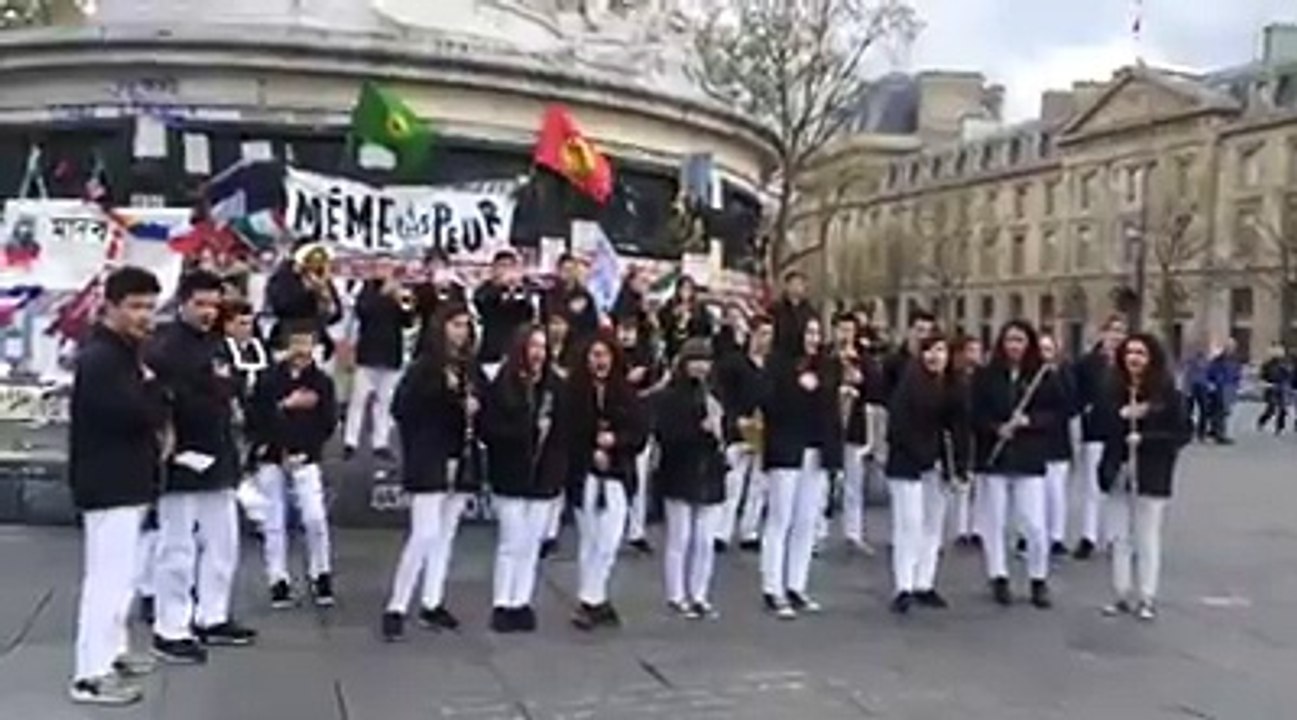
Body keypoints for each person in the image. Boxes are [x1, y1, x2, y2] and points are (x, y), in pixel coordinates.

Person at [68, 266, 167, 706]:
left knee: (123, 576)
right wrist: (155, 393)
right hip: (108, 480)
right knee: (106, 580)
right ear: (110, 307)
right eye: (135, 306)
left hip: (127, 476)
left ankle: (112, 652)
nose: (144, 315)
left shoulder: (126, 353)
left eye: (150, 306)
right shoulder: (102, 359)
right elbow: (133, 414)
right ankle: (90, 674)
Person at [146, 270, 256, 663]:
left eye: (213, 304)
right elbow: (159, 399)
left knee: (223, 542)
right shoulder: (163, 348)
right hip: (181, 457)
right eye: (200, 304)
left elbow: (230, 387)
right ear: (183, 303)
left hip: (218, 452)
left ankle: (213, 614)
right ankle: (171, 626)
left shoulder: (218, 344)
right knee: (177, 548)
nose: (208, 312)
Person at [381, 304, 487, 642]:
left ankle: (432, 600)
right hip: (430, 457)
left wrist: (476, 407)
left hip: (461, 456)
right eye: (455, 325)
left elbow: (486, 403)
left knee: (445, 535)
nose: (461, 332)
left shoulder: (471, 368)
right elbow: (401, 408)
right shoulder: (424, 367)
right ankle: (397, 605)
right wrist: (443, 393)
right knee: (424, 533)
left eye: (465, 326)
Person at [971, 320, 1067, 609]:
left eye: (1020, 340)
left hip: (1029, 457)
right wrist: (994, 428)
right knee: (994, 521)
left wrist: (1030, 421)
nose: (1014, 346)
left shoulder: (1042, 376)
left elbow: (1057, 413)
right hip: (995, 458)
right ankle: (998, 576)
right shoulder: (985, 376)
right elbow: (973, 413)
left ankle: (1038, 578)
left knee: (1034, 524)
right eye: (1010, 340)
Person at [1097, 333, 1191, 621]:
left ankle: (1147, 596)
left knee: (1146, 537)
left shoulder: (1167, 395)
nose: (1134, 358)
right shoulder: (1112, 390)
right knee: (1119, 537)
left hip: (1151, 472)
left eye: (1140, 353)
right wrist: (1120, 417)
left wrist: (1146, 437)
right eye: (1129, 353)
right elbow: (1097, 426)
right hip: (1118, 470)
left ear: (1152, 359)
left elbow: (1181, 433)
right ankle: (1121, 593)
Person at [482, 325, 570, 633]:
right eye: (533, 346)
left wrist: (557, 466)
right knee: (511, 541)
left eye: (543, 347)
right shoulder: (503, 384)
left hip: (544, 476)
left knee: (531, 543)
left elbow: (565, 431)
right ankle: (502, 602)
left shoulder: (556, 386)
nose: (538, 353)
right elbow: (489, 428)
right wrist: (527, 429)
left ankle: (522, 601)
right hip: (510, 474)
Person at [247, 320, 339, 609]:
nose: (301, 350)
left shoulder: (322, 382)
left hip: (305, 458)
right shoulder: (268, 380)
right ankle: (278, 580)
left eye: (306, 343)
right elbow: (255, 417)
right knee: (274, 521)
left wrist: (304, 450)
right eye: (296, 343)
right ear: (287, 346)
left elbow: (328, 422)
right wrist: (284, 408)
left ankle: (320, 573)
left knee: (315, 517)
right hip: (272, 457)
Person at [760, 318, 842, 619]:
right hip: (786, 448)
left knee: (806, 519)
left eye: (817, 333)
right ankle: (773, 587)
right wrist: (797, 387)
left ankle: (796, 584)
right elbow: (769, 404)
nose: (813, 338)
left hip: (815, 448)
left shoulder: (826, 367)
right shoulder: (779, 365)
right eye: (808, 332)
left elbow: (831, 410)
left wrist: (833, 455)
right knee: (780, 518)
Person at [566, 332, 649, 631]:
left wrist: (616, 442)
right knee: (590, 539)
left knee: (609, 539)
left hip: (616, 475)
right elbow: (567, 434)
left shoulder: (625, 393)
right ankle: (591, 598)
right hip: (585, 475)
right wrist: (590, 451)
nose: (599, 361)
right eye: (594, 355)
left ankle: (593, 596)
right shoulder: (574, 394)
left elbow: (639, 434)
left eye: (604, 355)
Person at [884, 334, 968, 614]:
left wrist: (960, 465)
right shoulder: (910, 385)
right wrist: (923, 454)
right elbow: (898, 427)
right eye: (930, 351)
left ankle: (924, 582)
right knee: (909, 524)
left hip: (938, 465)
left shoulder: (954, 387)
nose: (935, 356)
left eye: (941, 350)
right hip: (908, 463)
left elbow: (960, 428)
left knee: (933, 524)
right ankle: (903, 585)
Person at [654, 338, 727, 619]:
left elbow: (725, 429)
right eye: (695, 361)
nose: (701, 367)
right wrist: (699, 428)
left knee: (705, 539)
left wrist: (720, 429)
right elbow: (666, 434)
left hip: (709, 470)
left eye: (705, 361)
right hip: (680, 469)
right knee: (680, 536)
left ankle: (699, 593)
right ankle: (676, 594)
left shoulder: (714, 394)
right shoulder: (671, 395)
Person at [344, 253, 413, 461]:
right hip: (368, 353)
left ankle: (380, 442)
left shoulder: (400, 290)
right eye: (380, 266)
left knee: (385, 401)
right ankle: (350, 441)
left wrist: (401, 301)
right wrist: (383, 294)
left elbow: (408, 321)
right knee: (358, 399)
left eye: (388, 266)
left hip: (391, 352)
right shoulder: (366, 289)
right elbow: (363, 311)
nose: (383, 270)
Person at [714, 315, 773, 553]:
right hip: (738, 428)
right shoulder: (734, 363)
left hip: (765, 428)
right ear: (752, 334)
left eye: (769, 335)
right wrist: (735, 418)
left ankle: (750, 530)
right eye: (762, 334)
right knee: (733, 481)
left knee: (759, 483)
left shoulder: (773, 366)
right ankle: (722, 531)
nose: (766, 340)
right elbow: (724, 394)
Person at [1072, 315, 1126, 560]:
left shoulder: (1128, 362)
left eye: (1121, 331)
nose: (1116, 336)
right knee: (1092, 486)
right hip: (1094, 429)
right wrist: (1084, 408)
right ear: (1103, 333)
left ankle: (1115, 537)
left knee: (1116, 487)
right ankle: (1089, 535)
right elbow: (1075, 391)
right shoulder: (1087, 363)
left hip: (1121, 431)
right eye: (1112, 331)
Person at [618, 315, 668, 555]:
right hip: (616, 425)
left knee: (639, 478)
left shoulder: (648, 360)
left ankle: (636, 531)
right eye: (623, 330)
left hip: (641, 425)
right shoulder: (610, 358)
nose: (626, 335)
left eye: (631, 330)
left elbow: (658, 388)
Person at [834, 312, 880, 554]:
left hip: (854, 424)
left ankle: (853, 532)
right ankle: (817, 531)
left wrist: (862, 377)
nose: (845, 335)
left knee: (854, 481)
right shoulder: (826, 355)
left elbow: (876, 388)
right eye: (841, 329)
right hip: (829, 423)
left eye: (850, 330)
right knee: (823, 481)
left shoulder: (864, 358)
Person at [265, 241, 341, 357]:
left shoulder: (321, 277)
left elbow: (336, 313)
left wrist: (324, 295)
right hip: (287, 338)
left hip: (316, 339)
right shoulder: (280, 278)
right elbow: (280, 307)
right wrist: (306, 289)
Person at [1039, 334, 1076, 557]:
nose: (1044, 354)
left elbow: (1070, 405)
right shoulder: (1027, 375)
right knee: (1035, 493)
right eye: (1041, 349)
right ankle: (1029, 535)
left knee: (1056, 492)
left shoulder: (1063, 374)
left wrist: (1055, 378)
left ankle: (1056, 536)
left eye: (1048, 349)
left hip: (1057, 441)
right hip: (1033, 441)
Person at [474, 249, 536, 378]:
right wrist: (499, 288)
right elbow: (482, 304)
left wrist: (516, 290)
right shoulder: (484, 290)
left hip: (516, 352)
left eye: (510, 266)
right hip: (491, 353)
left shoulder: (524, 289)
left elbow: (529, 312)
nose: (506, 271)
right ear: (493, 269)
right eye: (502, 266)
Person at [950, 335, 984, 548]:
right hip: (960, 431)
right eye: (971, 350)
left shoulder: (984, 377)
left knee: (979, 483)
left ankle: (978, 528)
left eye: (977, 350)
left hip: (980, 432)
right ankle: (961, 528)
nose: (975, 355)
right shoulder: (954, 377)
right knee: (963, 482)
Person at [412, 248, 468, 359]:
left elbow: (461, 310)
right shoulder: (421, 288)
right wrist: (434, 288)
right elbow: (418, 311)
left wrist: (449, 287)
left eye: (440, 264)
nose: (436, 268)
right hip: (427, 340)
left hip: (450, 340)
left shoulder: (457, 288)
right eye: (432, 264)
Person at [543, 253, 599, 344]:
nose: (567, 273)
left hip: (577, 342)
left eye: (570, 270)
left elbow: (592, 325)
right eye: (564, 269)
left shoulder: (585, 296)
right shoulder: (549, 295)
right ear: (558, 270)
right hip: (553, 341)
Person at [883, 310, 937, 402]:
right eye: (920, 330)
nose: (924, 336)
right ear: (909, 331)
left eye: (929, 332)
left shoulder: (933, 363)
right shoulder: (893, 363)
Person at [657, 274, 714, 361]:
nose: (686, 292)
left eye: (689, 289)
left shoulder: (700, 308)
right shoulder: (670, 305)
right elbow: (663, 325)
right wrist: (674, 315)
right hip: (673, 346)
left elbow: (706, 328)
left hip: (693, 347)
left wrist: (691, 319)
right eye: (683, 288)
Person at [770, 270, 817, 359]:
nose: (797, 287)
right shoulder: (776, 310)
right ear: (787, 286)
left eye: (800, 284)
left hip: (803, 356)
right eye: (794, 284)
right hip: (781, 355)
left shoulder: (810, 312)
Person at [1205, 338, 1241, 444]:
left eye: (1232, 347)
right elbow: (1210, 372)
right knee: (1219, 411)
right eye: (1228, 347)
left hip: (1230, 388)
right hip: (1219, 388)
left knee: (1224, 412)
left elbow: (1236, 373)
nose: (1230, 349)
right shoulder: (1218, 360)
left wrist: (1236, 384)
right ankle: (1220, 434)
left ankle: (1215, 430)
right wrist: (1213, 383)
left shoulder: (1234, 360)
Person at [1257, 343, 1291, 434]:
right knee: (1271, 408)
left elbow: (1288, 376)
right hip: (1271, 388)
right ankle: (1262, 421)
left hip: (1281, 388)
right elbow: (1262, 377)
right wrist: (1266, 384)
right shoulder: (1267, 365)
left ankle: (1280, 427)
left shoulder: (1284, 365)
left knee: (1283, 408)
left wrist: (1287, 386)